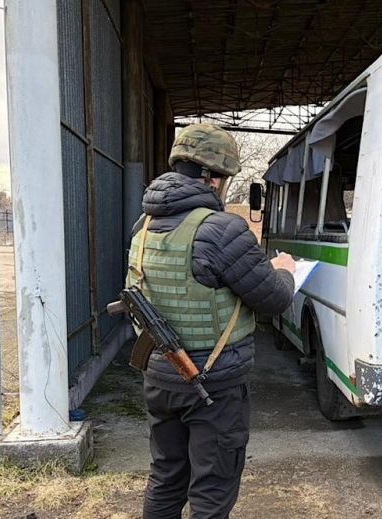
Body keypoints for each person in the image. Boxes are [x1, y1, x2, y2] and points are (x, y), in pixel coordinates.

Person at [126, 123, 295, 518]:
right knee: (212, 489)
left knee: (166, 476)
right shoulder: (222, 229)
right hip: (212, 385)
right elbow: (273, 299)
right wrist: (284, 269)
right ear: (214, 177)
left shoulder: (144, 226)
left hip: (160, 376)